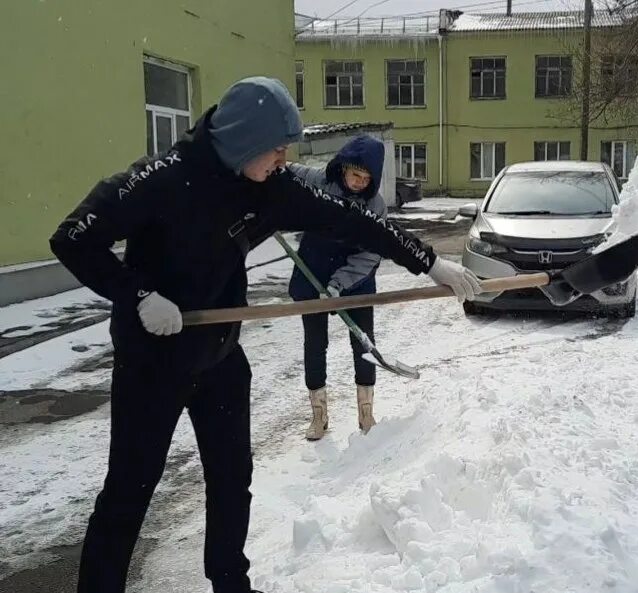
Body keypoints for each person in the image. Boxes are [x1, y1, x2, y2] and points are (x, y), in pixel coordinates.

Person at [49, 76, 481, 593]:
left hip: (220, 355)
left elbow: (353, 221)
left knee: (233, 482)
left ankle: (232, 584)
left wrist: (429, 261)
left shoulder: (272, 188)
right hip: (153, 360)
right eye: (276, 147)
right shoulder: (161, 180)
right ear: (244, 142)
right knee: (130, 490)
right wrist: (137, 295)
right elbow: (73, 238)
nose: (283, 158)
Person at [286, 135, 387, 440]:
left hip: (355, 281)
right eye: (356, 175)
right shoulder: (319, 182)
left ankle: (366, 411)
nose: (360, 182)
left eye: (367, 178)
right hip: (312, 271)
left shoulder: (375, 205)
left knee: (363, 343)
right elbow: (287, 171)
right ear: (343, 168)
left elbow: (370, 253)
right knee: (315, 344)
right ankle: (319, 414)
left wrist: (339, 284)